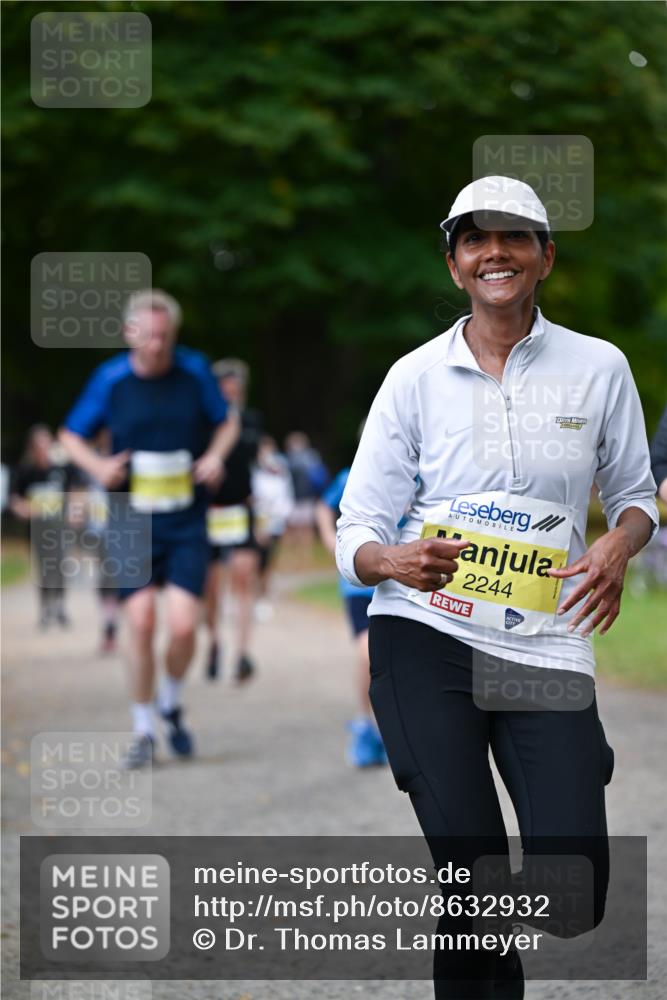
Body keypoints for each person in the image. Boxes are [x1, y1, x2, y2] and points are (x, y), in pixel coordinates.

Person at [336, 176, 658, 998]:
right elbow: (357, 528)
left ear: (544, 256)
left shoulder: (598, 366)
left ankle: (572, 760)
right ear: (453, 266)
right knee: (468, 879)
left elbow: (632, 494)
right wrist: (393, 561)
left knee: (570, 894)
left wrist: (620, 545)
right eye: (473, 240)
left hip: (544, 641)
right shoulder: (412, 377)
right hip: (423, 635)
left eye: (512, 237)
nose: (494, 253)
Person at [60, 289, 238, 768]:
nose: (156, 346)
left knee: (183, 628)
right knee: (139, 622)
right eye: (148, 336)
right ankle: (143, 729)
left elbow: (227, 423)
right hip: (129, 517)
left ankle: (172, 704)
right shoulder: (111, 379)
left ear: (173, 336)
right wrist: (97, 468)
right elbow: (69, 435)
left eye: (164, 336)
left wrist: (215, 458)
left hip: (185, 517)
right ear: (129, 334)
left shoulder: (194, 370)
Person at [317, 461, 387, 768]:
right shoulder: (352, 474)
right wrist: (332, 543)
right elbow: (323, 507)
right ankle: (364, 725)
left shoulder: (425, 471)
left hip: (403, 584)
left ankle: (389, 730)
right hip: (360, 585)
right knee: (368, 652)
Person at [204, 358, 263, 682]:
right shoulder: (203, 424)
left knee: (243, 581)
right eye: (225, 391)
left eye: (236, 390)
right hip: (211, 511)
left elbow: (254, 461)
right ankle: (214, 641)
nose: (231, 395)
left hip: (241, 510)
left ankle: (242, 653)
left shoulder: (251, 421)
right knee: (211, 587)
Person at [10, 424, 80, 628]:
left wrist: (74, 511)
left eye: (46, 442)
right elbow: (15, 499)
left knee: (59, 565)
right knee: (43, 567)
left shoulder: (60, 470)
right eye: (39, 444)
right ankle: (45, 607)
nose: (43, 447)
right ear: (32, 447)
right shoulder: (25, 472)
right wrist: (22, 508)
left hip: (59, 527)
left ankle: (59, 605)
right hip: (37, 529)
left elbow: (73, 493)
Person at [251, 435, 295, 621]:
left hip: (274, 523)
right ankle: (251, 596)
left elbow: (285, 498)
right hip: (256, 523)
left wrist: (280, 519)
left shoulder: (280, 471)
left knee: (267, 563)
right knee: (252, 563)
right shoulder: (253, 471)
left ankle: (263, 598)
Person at [284, 431, 329, 544]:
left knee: (306, 526)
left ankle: (305, 554)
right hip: (291, 498)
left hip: (306, 497)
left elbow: (319, 478)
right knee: (291, 527)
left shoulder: (310, 457)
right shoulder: (287, 459)